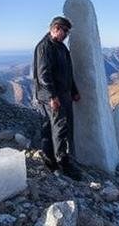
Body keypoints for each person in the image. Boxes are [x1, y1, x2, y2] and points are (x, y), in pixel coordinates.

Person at [32, 16, 82, 179]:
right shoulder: (44, 47)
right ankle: (60, 162)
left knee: (57, 127)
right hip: (51, 97)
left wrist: (73, 90)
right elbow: (43, 75)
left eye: (67, 31)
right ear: (55, 28)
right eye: (64, 31)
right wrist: (52, 96)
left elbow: (68, 71)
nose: (66, 34)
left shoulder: (61, 47)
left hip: (64, 94)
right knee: (58, 127)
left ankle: (53, 159)